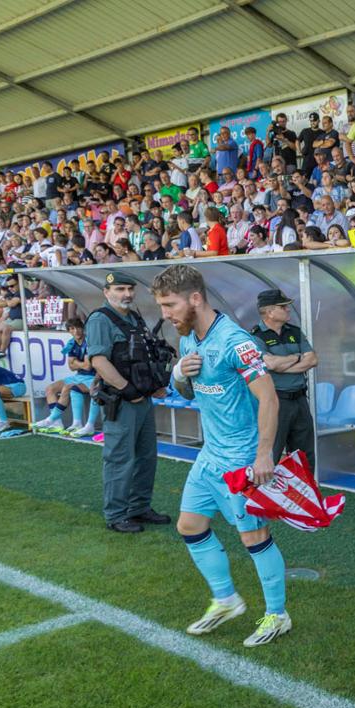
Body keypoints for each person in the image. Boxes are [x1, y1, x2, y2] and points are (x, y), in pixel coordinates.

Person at [152, 265, 293, 647]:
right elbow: (187, 394)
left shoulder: (235, 341)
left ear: (195, 298)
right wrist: (179, 375)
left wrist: (264, 455)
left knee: (255, 536)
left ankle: (278, 615)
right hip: (210, 456)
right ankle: (227, 599)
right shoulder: (187, 340)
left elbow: (269, 397)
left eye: (170, 304)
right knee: (189, 526)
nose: (165, 314)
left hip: (242, 460)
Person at [85, 272, 172, 533]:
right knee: (120, 458)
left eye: (130, 289)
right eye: (120, 289)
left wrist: (153, 386)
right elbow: (99, 361)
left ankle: (139, 507)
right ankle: (116, 514)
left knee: (146, 457)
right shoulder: (101, 319)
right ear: (106, 291)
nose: (127, 294)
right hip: (121, 400)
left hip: (141, 397)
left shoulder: (133, 316)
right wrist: (128, 389)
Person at [250, 289, 318, 468]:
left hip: (300, 400)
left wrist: (283, 365)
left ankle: (305, 495)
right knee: (271, 454)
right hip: (276, 401)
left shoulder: (294, 331)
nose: (288, 310)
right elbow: (270, 364)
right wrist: (297, 357)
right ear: (270, 312)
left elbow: (312, 359)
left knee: (305, 457)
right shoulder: (256, 337)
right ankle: (266, 495)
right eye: (283, 307)